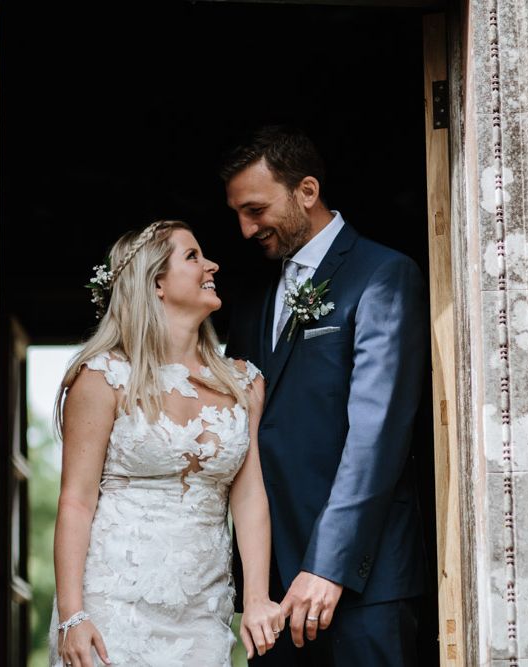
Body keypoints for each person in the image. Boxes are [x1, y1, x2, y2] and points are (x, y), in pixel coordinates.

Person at [221, 125, 428, 666]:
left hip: (363, 579)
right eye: (238, 214)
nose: (245, 230)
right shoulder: (250, 300)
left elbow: (376, 433)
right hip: (270, 591)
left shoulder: (382, 275)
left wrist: (330, 563)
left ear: (306, 192)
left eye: (256, 210)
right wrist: (256, 583)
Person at [49, 220, 284, 667]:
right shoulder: (103, 378)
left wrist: (256, 598)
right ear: (156, 282)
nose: (212, 264)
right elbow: (76, 502)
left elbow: (250, 495)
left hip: (202, 608)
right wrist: (71, 614)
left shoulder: (243, 382)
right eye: (193, 256)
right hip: (113, 604)